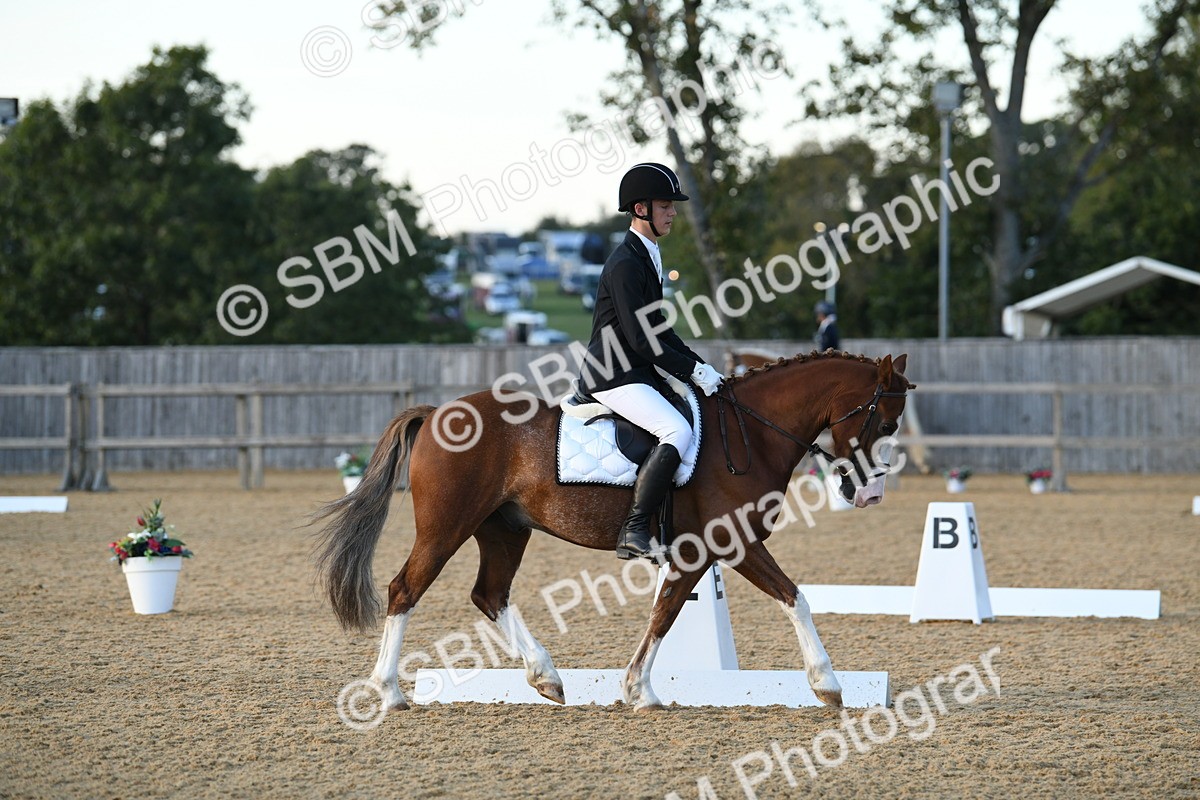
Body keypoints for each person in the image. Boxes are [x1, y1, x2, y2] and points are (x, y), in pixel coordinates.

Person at [578, 162, 724, 561]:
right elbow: (643, 340)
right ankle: (634, 528)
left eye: (672, 206)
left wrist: (700, 367)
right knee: (676, 431)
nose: (673, 212)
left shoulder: (648, 255)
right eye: (665, 205)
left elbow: (660, 327)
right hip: (613, 374)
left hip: (636, 370)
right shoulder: (626, 263)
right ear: (640, 209)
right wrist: (690, 371)